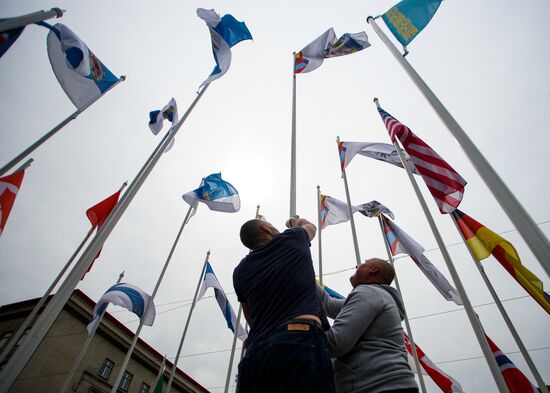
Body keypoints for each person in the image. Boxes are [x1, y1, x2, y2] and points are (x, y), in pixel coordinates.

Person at [233, 216, 335, 393]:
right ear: (265, 228)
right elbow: (309, 226)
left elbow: (249, 316)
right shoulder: (292, 238)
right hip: (298, 338)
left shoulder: (240, 271)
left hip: (256, 351)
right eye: (271, 225)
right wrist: (293, 223)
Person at [318, 258, 418, 393]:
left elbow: (336, 343)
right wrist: (303, 273)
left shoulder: (368, 292)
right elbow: (328, 305)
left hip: (381, 387)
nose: (357, 265)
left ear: (374, 270)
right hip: (390, 386)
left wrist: (299, 335)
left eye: (363, 263)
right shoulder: (377, 296)